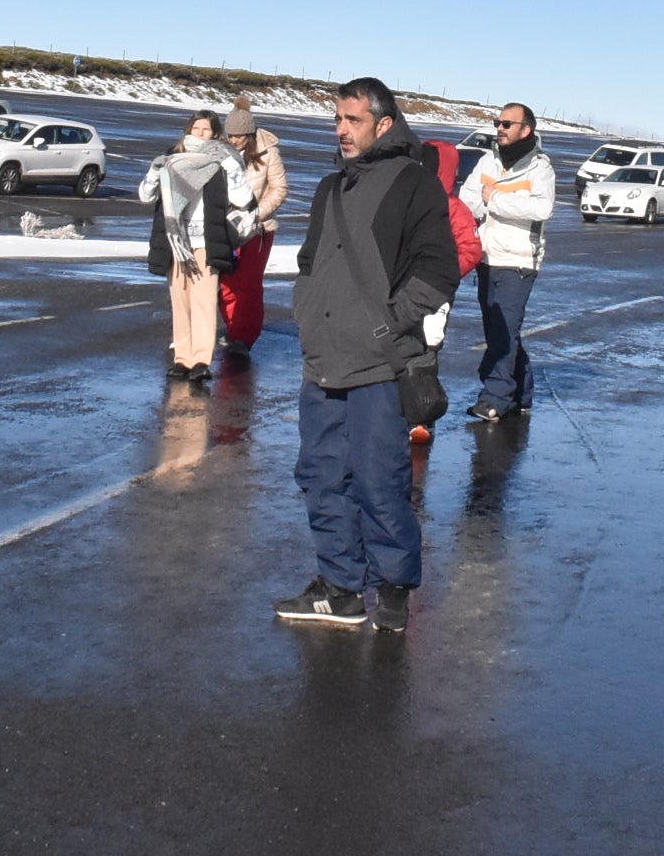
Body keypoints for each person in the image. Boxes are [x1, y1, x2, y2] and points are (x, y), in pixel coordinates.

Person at [275, 77, 458, 634]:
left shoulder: (413, 184)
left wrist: (389, 324)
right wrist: (306, 313)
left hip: (379, 363)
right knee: (321, 475)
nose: (341, 130)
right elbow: (310, 263)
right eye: (337, 119)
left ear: (383, 124)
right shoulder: (330, 187)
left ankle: (396, 589)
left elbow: (438, 270)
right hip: (323, 360)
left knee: (380, 479)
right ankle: (340, 586)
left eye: (352, 120)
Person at [139, 111, 252, 386]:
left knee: (203, 302)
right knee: (181, 303)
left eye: (206, 129)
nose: (201, 133)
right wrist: (155, 172)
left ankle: (201, 360)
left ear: (215, 134)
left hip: (206, 242)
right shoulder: (172, 158)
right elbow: (145, 196)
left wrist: (233, 168)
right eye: (197, 128)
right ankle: (182, 359)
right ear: (189, 130)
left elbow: (243, 198)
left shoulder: (221, 161)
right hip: (177, 244)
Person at [459, 104, 556, 421]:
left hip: (518, 262)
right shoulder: (488, 160)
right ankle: (522, 391)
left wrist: (494, 199)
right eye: (497, 122)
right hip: (486, 257)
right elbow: (467, 198)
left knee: (504, 331)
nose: (499, 128)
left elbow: (542, 209)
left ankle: (495, 398)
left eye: (506, 124)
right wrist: (486, 199)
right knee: (499, 331)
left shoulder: (540, 169)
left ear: (525, 129)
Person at [408, 134, 484, 444]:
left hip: (435, 291)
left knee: (426, 348)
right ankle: (394, 408)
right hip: (400, 289)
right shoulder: (407, 200)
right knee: (395, 344)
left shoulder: (453, 208)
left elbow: (471, 249)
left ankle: (421, 414)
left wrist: (444, 276)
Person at [218, 97, 289, 354]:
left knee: (248, 285)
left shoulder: (268, 151)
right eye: (230, 135)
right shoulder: (221, 151)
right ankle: (233, 327)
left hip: (258, 231)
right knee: (225, 284)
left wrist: (257, 214)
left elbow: (280, 188)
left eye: (239, 136)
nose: (234, 140)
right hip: (227, 230)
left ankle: (245, 337)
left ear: (249, 133)